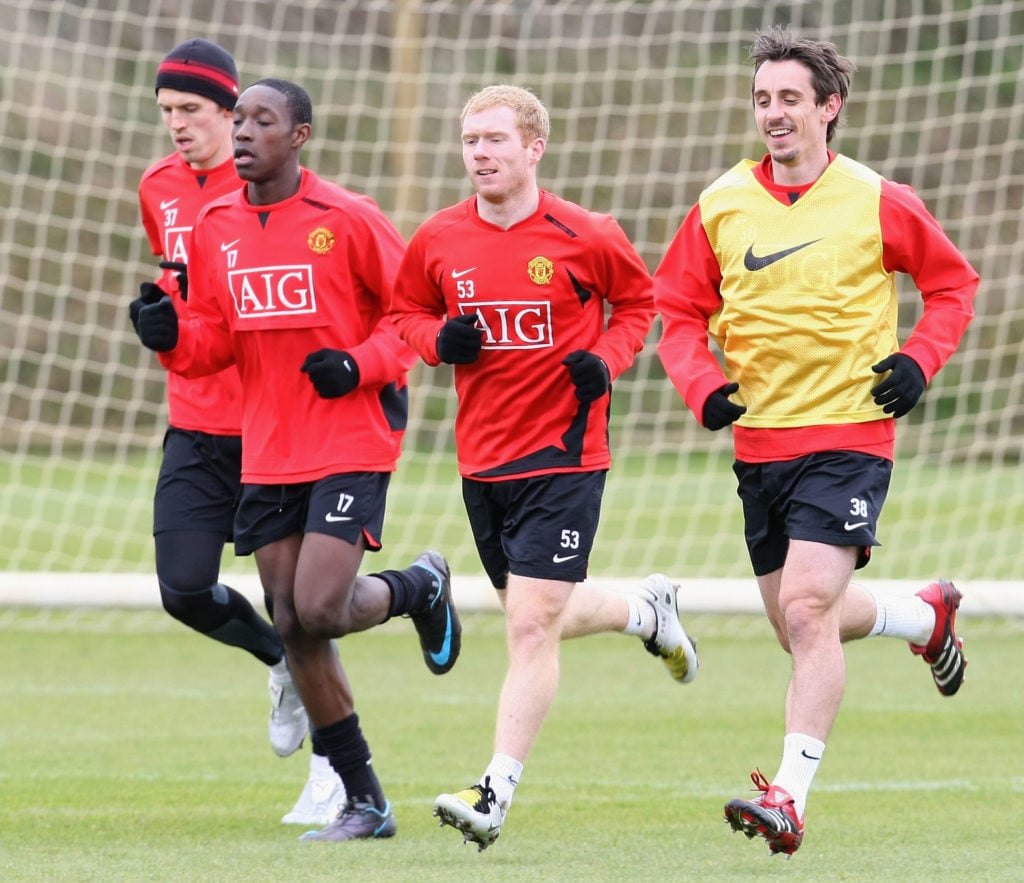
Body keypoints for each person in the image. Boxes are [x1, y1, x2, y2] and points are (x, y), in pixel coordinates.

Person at [654, 26, 979, 857]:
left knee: (806, 608)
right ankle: (922, 614)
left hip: (850, 437)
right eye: (763, 99)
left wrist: (918, 358)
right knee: (802, 623)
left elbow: (952, 286)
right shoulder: (721, 202)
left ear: (830, 107)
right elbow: (679, 314)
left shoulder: (878, 196)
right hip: (761, 445)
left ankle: (788, 799)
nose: (774, 114)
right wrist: (702, 385)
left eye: (790, 98)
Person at [132, 77, 461, 842]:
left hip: (351, 433)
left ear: (300, 135)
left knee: (315, 607)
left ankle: (419, 585)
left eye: (262, 120)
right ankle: (367, 800)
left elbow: (414, 318)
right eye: (239, 119)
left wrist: (357, 365)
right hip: (268, 442)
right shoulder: (215, 224)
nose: (243, 132)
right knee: (295, 622)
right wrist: (170, 336)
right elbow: (215, 340)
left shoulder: (348, 218)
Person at [388, 84, 700, 852]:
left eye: (496, 139)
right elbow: (404, 314)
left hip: (565, 454)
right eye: (470, 140)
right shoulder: (436, 239)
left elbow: (638, 303)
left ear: (534, 148)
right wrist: (437, 343)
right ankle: (646, 611)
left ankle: (493, 792)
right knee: (539, 612)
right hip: (483, 460)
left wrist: (605, 358)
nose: (481, 153)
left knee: (530, 624)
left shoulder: (586, 233)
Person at [135, 38, 344, 826]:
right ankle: (276, 663)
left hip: (269, 427)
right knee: (183, 587)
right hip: (194, 417)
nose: (177, 126)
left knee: (300, 609)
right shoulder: (157, 185)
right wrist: (161, 322)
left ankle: (332, 777)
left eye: (191, 111)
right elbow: (183, 288)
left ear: (233, 111)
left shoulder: (272, 186)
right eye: (166, 113)